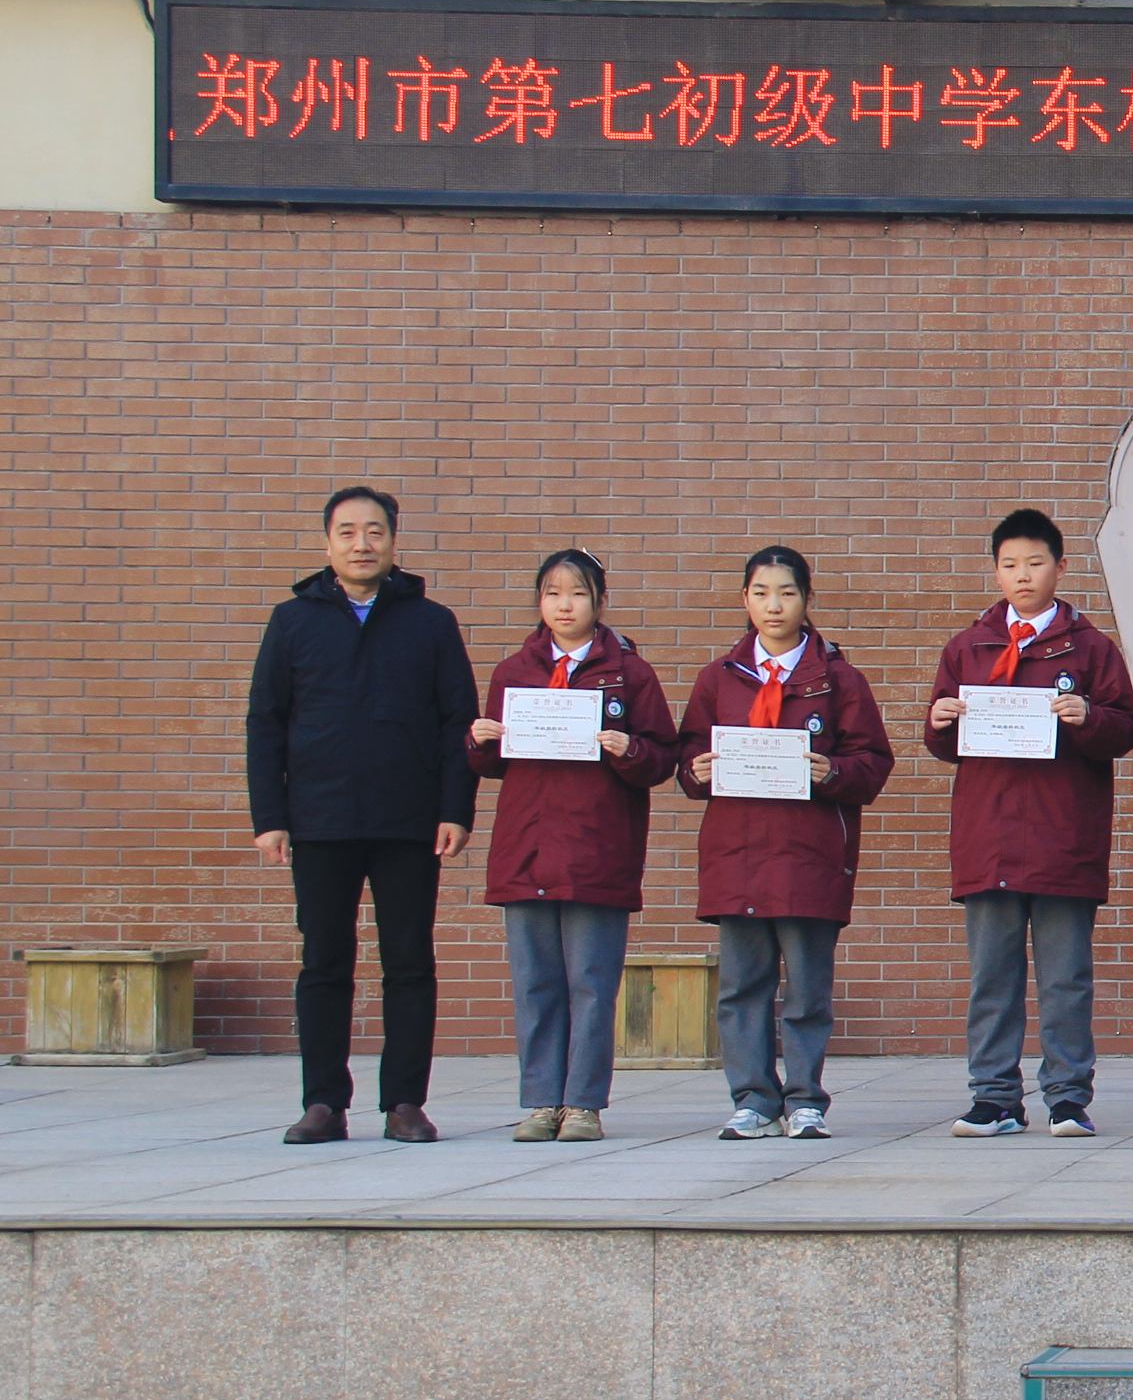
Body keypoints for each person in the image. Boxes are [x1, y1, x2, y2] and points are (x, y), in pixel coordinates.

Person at [244, 485, 477, 1146]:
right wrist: (270, 816)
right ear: (328, 544)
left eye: (374, 531)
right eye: (347, 532)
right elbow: (265, 722)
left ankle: (405, 1102)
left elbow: (456, 721)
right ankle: (324, 1102)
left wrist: (454, 809)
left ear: (393, 541)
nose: (361, 544)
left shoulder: (430, 622)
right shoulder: (293, 621)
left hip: (409, 820)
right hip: (319, 819)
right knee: (324, 963)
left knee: (409, 962)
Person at [924, 509, 1133, 1138]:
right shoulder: (968, 648)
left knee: (1066, 979)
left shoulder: (1093, 649)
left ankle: (1068, 1097)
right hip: (988, 836)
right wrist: (939, 722)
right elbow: (943, 741)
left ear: (1060, 568)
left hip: (1063, 836)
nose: (1023, 576)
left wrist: (1088, 716)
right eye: (1010, 565)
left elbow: (1125, 729)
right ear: (996, 571)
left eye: (1036, 563)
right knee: (992, 978)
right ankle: (994, 1097)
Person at [675, 545, 895, 1141]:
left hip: (809, 856)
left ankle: (804, 1099)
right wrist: (695, 771)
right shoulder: (719, 678)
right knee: (742, 987)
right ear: (744, 599)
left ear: (807, 599)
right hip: (737, 854)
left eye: (787, 593)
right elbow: (688, 757)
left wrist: (834, 772)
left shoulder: (840, 680)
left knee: (807, 989)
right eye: (761, 593)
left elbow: (874, 762)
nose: (774, 606)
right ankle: (752, 1098)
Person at [463, 550, 677, 1144]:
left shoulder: (630, 675)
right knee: (535, 984)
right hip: (526, 848)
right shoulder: (514, 671)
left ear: (600, 602)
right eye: (553, 593)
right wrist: (480, 741)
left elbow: (664, 757)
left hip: (597, 850)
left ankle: (583, 1103)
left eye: (578, 593)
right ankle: (540, 1101)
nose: (565, 605)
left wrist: (630, 750)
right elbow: (494, 763)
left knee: (591, 983)